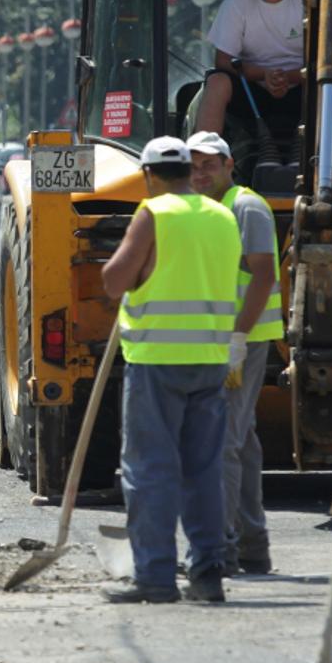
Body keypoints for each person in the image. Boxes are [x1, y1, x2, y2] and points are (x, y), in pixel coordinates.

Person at [100, 136, 243, 603]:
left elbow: (114, 280)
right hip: (210, 361)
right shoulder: (223, 215)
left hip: (157, 363)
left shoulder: (154, 213)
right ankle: (207, 574)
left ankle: (156, 578)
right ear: (188, 171)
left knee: (150, 471)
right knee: (203, 472)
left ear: (148, 175)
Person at [187, 131, 283, 576]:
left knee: (222, 441)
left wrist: (239, 340)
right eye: (193, 164)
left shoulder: (246, 207)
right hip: (220, 339)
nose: (200, 171)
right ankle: (252, 546)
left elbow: (262, 276)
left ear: (229, 165)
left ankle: (221, 548)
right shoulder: (209, 209)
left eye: (208, 163)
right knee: (241, 444)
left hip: (243, 341)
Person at [194, 0, 304, 136]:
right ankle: (203, 157)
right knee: (217, 81)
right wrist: (265, 75)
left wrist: (286, 78)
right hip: (252, 89)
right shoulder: (238, 1)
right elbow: (223, 61)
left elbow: (325, 60)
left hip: (303, 89)